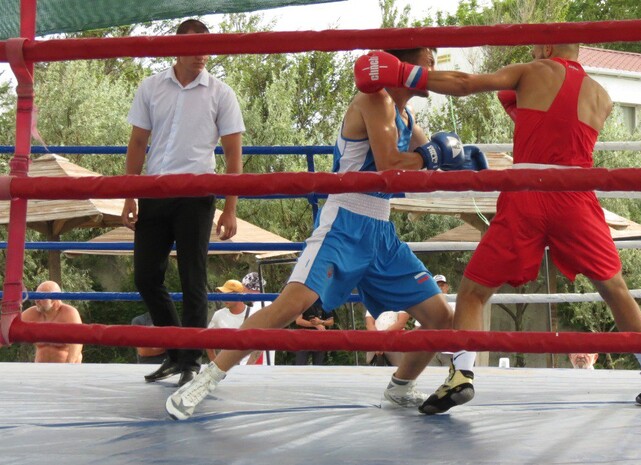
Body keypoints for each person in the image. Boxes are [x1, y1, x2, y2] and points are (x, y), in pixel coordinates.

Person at [164, 47, 483, 420]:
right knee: (289, 307)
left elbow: (430, 162)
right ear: (408, 66)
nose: (434, 69)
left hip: (382, 232)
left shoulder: (406, 116)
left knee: (440, 318)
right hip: (344, 223)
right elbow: (390, 165)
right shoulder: (373, 99)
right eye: (429, 60)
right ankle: (207, 378)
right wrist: (434, 156)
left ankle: (400, 388)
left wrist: (464, 161)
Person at [353, 44, 641, 414]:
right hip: (577, 195)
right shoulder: (602, 96)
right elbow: (554, 126)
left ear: (547, 46)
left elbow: (464, 83)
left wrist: (405, 74)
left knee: (472, 292)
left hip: (529, 192)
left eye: (536, 45)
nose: (533, 51)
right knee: (614, 288)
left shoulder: (534, 71)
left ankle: (462, 375)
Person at [122, 19, 245, 387]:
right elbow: (137, 143)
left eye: (207, 48)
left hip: (197, 195)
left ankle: (190, 359)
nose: (202, 55)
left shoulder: (221, 93)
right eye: (195, 48)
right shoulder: (151, 86)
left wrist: (231, 206)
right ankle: (178, 353)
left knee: (194, 280)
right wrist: (129, 194)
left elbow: (234, 156)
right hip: (154, 193)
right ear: (176, 48)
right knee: (145, 277)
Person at [19, 281, 83, 363]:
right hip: (41, 370)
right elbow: (8, 329)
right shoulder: (33, 313)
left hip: (64, 369)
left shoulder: (69, 313)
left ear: (54, 299)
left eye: (41, 297)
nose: (36, 300)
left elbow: (77, 343)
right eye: (36, 296)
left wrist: (69, 366)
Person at [207, 280, 264, 365]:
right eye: (223, 294)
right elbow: (208, 340)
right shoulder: (218, 315)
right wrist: (215, 365)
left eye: (228, 294)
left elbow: (260, 344)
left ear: (239, 295)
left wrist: (249, 366)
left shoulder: (253, 314)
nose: (224, 298)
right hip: (226, 368)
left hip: (249, 369)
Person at [414, 274, 453, 367]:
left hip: (450, 350)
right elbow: (417, 328)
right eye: (436, 285)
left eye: (442, 285)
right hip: (430, 350)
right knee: (431, 378)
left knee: (450, 377)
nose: (439, 288)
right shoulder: (425, 304)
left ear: (446, 287)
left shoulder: (455, 303)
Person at [241, 271, 275, 365]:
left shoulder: (258, 308)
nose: (242, 290)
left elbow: (260, 338)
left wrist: (250, 363)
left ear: (249, 287)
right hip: (264, 361)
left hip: (256, 364)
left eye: (243, 286)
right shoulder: (268, 304)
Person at [293, 301, 334, 365]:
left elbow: (331, 321)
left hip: (319, 339)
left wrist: (320, 322)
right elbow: (298, 321)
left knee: (318, 367)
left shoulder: (325, 301)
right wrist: (315, 325)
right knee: (300, 366)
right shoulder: (304, 301)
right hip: (304, 339)